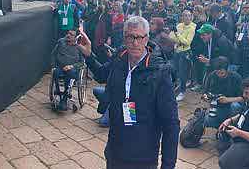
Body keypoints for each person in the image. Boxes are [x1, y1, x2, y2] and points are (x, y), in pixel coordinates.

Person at [76, 16, 179, 169]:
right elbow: (101, 74)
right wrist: (89, 55)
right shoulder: (120, 57)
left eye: (139, 37)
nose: (135, 43)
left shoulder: (159, 72)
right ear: (124, 38)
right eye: (130, 37)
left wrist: (167, 165)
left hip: (143, 157)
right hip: (115, 151)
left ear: (147, 38)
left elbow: (171, 124)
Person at [52, 29, 84, 111]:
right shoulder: (61, 42)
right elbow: (53, 54)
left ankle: (65, 98)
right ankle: (59, 94)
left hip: (72, 70)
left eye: (71, 34)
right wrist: (54, 65)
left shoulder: (79, 47)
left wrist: (72, 66)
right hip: (60, 67)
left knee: (69, 74)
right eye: (68, 33)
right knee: (55, 72)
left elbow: (82, 62)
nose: (68, 35)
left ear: (76, 37)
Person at [170, 10, 196, 101]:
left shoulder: (192, 28)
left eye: (188, 16)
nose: (186, 17)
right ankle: (178, 87)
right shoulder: (179, 25)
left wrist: (178, 35)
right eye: (184, 15)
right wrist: (179, 40)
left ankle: (182, 92)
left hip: (185, 52)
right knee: (175, 70)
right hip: (177, 50)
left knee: (183, 73)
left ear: (191, 17)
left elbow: (187, 42)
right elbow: (171, 37)